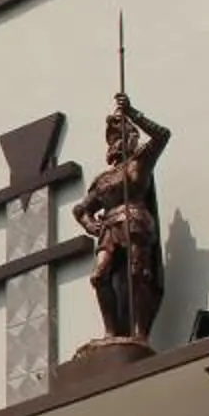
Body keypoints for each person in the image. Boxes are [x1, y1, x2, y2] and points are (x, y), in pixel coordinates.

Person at [73, 92, 171, 346]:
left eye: (120, 136)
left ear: (131, 138)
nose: (115, 142)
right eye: (112, 138)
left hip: (136, 221)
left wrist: (133, 113)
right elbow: (81, 209)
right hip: (109, 229)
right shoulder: (103, 180)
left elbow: (163, 135)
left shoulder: (140, 162)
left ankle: (140, 334)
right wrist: (89, 224)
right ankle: (111, 333)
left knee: (137, 274)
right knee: (99, 276)